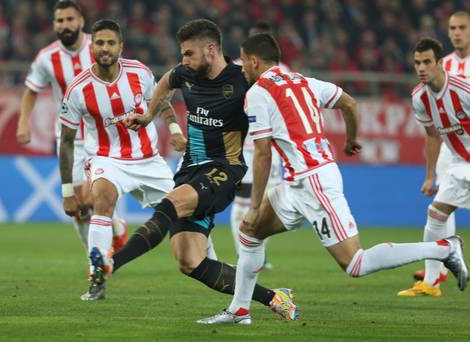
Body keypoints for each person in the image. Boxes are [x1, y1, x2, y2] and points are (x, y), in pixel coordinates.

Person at [198, 33, 468, 325]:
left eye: (244, 64)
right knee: (250, 233)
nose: (243, 71)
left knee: (356, 263)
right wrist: (352, 139)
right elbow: (349, 103)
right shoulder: (304, 81)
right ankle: (240, 310)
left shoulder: (258, 93)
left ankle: (443, 248)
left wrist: (254, 204)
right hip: (296, 183)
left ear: (253, 61)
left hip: (314, 183)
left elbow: (262, 153)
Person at [119, 19, 298, 321]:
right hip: (189, 169)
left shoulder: (243, 80)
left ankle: (113, 262)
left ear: (211, 50)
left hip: (224, 169)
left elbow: (285, 99)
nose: (184, 60)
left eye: (189, 53)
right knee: (190, 261)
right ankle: (274, 297)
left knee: (170, 204)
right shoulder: (185, 73)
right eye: (183, 54)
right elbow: (165, 82)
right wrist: (149, 115)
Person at [59, 19, 187, 301]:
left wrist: (175, 130)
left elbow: (162, 102)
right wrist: (68, 191)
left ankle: (210, 264)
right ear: (91, 46)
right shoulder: (78, 88)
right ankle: (97, 279)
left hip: (149, 160)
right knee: (101, 201)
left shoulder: (139, 72)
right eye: (99, 43)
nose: (105, 48)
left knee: (187, 213)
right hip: (107, 159)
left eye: (110, 43)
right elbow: (67, 141)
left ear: (120, 47)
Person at [16, 0, 128, 252]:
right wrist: (23, 121)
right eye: (60, 20)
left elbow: (123, 78)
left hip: (102, 134)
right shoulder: (47, 57)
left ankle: (116, 226)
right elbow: (31, 90)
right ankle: (96, 257)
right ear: (54, 24)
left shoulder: (101, 46)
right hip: (69, 138)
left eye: (69, 19)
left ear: (80, 21)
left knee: (92, 197)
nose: (65, 25)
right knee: (78, 207)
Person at [398, 37, 470, 297]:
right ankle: (431, 282)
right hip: (460, 165)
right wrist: (429, 176)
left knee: (437, 215)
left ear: (440, 63)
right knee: (436, 215)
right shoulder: (419, 97)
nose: (421, 68)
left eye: (427, 62)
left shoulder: (463, 89)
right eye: (417, 63)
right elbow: (432, 135)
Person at [231, 21, 287, 269]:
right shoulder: (235, 68)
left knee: (266, 202)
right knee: (244, 201)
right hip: (246, 145)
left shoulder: (283, 70)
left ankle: (257, 256)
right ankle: (245, 254)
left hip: (270, 148)